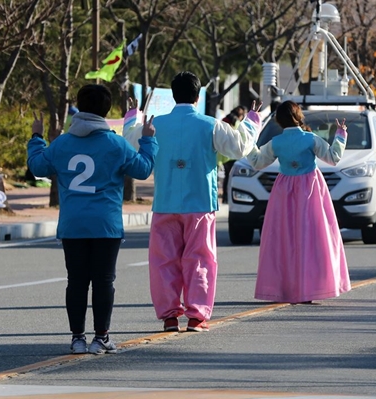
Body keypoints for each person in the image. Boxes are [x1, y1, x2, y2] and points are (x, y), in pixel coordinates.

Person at [27, 85, 158, 355]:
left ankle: (77, 338)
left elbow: (38, 167)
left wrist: (37, 136)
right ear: (106, 111)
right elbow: (144, 169)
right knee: (103, 281)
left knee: (76, 281)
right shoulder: (116, 143)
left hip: (73, 224)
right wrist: (148, 139)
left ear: (79, 105)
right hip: (105, 225)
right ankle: (101, 337)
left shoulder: (62, 143)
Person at [148, 71, 262, 333]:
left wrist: (132, 117)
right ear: (198, 96)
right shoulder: (211, 124)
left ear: (173, 94)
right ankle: (196, 316)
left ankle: (169, 317)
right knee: (199, 259)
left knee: (163, 260)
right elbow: (239, 147)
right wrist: (251, 120)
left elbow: (133, 139)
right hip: (199, 203)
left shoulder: (156, 124)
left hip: (164, 202)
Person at [246, 100, 351, 304]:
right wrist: (340, 134)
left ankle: (285, 288)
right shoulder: (311, 139)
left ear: (279, 120)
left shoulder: (276, 142)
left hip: (284, 191)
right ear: (299, 116)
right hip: (310, 188)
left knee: (284, 239)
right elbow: (333, 157)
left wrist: (251, 129)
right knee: (311, 238)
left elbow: (257, 161)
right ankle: (310, 287)